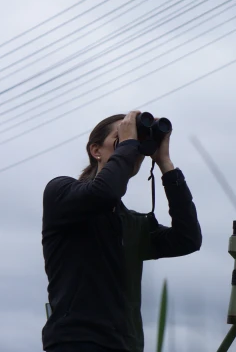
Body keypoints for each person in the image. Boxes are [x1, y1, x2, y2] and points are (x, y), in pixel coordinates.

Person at [41, 111, 202, 352]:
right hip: (76, 342)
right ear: (96, 151)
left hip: (126, 346)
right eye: (122, 140)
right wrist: (129, 144)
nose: (132, 148)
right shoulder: (61, 193)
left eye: (137, 142)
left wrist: (165, 163)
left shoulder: (131, 223)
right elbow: (103, 194)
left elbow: (187, 239)